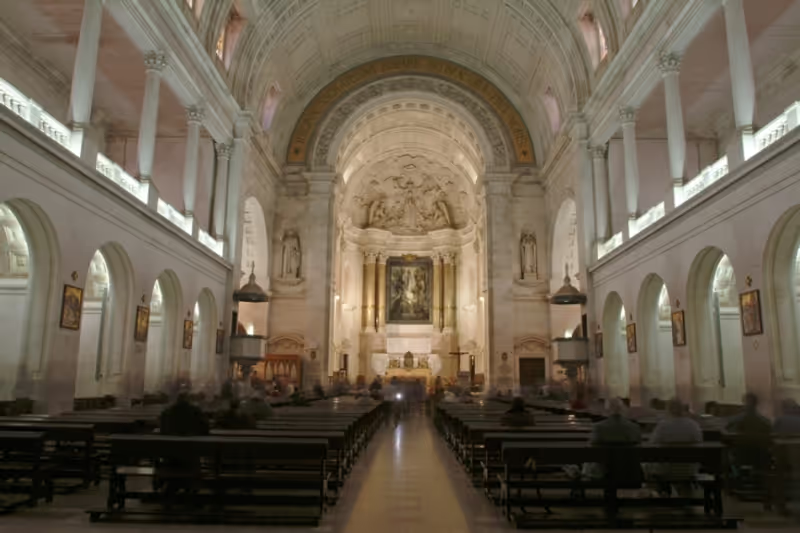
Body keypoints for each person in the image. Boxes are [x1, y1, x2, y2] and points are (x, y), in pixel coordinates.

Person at [648, 398, 703, 496]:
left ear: (668, 410)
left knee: (648, 467)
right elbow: (699, 443)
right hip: (689, 469)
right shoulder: (693, 425)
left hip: (666, 469)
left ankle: (661, 493)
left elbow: (652, 444)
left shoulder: (663, 425)